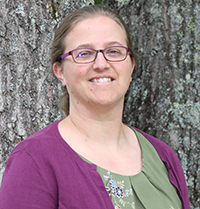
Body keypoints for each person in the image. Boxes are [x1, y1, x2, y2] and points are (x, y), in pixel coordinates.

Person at [0, 5, 189, 209]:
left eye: (114, 51)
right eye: (84, 54)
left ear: (131, 66)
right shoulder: (33, 160)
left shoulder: (163, 157)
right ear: (60, 71)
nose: (101, 64)